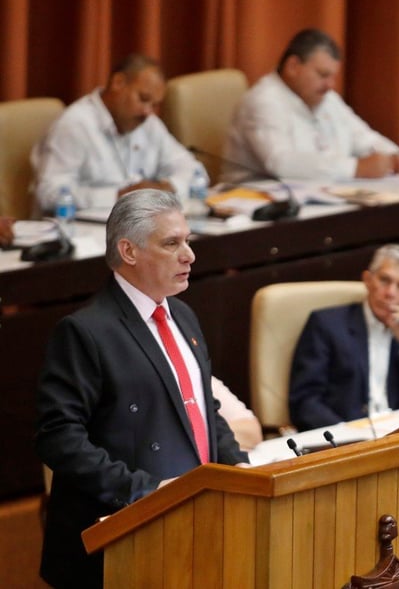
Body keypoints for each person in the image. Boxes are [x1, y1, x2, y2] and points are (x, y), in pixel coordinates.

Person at [35, 189, 248, 588]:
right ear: (128, 251)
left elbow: (203, 410)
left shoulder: (182, 314)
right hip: (122, 536)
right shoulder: (85, 332)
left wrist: (240, 473)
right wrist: (144, 492)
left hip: (193, 524)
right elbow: (58, 438)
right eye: (172, 244)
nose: (189, 255)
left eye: (187, 240)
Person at [223, 28, 399, 184]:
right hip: (257, 212)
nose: (330, 85)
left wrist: (396, 157)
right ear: (293, 66)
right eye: (322, 75)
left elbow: (363, 137)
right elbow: (281, 162)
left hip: (323, 199)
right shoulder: (263, 101)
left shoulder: (326, 98)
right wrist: (356, 168)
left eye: (333, 77)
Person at [289, 244, 399, 431]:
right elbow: (304, 401)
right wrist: (346, 434)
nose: (390, 293)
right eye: (384, 280)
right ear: (367, 280)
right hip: (346, 439)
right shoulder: (327, 325)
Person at [31, 54, 202, 213]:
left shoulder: (148, 123)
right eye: (143, 99)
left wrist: (168, 187)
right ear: (118, 82)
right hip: (85, 236)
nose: (148, 111)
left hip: (137, 230)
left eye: (155, 105)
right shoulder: (75, 124)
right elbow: (49, 193)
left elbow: (193, 170)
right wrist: (118, 196)